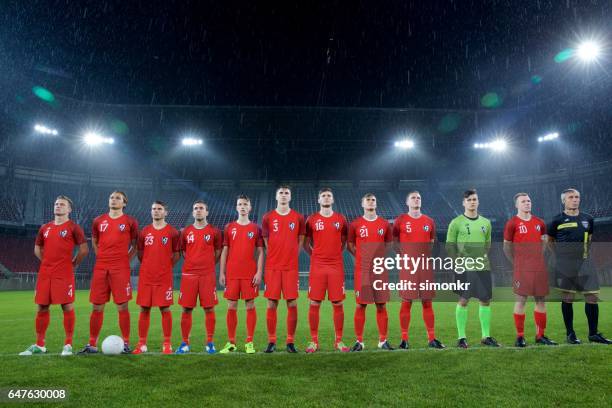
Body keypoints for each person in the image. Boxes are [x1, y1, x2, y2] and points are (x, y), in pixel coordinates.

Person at [20, 196, 88, 356]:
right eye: (56, 204)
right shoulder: (45, 227)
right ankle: (39, 344)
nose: (58, 206)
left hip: (64, 273)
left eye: (62, 205)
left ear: (69, 209)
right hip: (45, 273)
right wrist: (47, 262)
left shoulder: (73, 227)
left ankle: (68, 345)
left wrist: (73, 264)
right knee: (42, 306)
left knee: (66, 306)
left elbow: (84, 250)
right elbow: (37, 249)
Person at [547, 188, 611, 344]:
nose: (575, 199)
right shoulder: (556, 220)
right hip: (565, 264)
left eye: (577, 197)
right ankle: (570, 334)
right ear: (564, 201)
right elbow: (550, 241)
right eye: (571, 197)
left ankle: (593, 334)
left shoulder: (588, 218)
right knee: (568, 298)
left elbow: (589, 238)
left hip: (585, 262)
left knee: (592, 297)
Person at [79, 191, 139, 354]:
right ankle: (92, 344)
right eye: (111, 197)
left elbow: (135, 244)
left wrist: (125, 259)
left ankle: (126, 343)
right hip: (101, 267)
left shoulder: (130, 221)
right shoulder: (98, 221)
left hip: (120, 267)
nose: (114, 200)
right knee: (97, 306)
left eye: (118, 198)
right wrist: (102, 258)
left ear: (124, 203)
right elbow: (95, 242)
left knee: (122, 306)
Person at [446, 189, 498, 348]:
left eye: (474, 199)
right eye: (469, 200)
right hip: (464, 268)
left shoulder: (486, 223)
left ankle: (486, 336)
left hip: (482, 267)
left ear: (478, 201)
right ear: (464, 203)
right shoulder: (456, 222)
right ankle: (462, 337)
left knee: (485, 300)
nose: (472, 202)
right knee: (463, 300)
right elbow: (450, 246)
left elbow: (487, 245)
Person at [503, 193, 556, 347]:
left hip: (538, 268)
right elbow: (506, 247)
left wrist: (538, 256)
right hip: (522, 269)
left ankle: (540, 335)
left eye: (529, 201)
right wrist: (516, 262)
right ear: (516, 205)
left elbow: (544, 241)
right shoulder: (512, 223)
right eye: (523, 201)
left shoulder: (540, 222)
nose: (527, 203)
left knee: (541, 300)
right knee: (521, 300)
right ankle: (520, 337)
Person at [393, 191, 445, 349]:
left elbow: (432, 242)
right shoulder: (400, 220)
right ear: (407, 202)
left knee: (427, 302)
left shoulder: (429, 221)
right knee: (406, 302)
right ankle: (404, 340)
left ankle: (432, 339)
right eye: (413, 198)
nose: (417, 200)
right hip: (408, 267)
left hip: (425, 267)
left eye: (419, 198)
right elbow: (395, 241)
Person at [303, 188, 350, 353]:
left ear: (333, 199)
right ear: (318, 200)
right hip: (317, 266)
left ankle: (339, 341)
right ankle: (314, 341)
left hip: (336, 266)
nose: (326, 197)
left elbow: (344, 241)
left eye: (329, 195)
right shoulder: (312, 219)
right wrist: (316, 255)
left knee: (338, 302)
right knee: (314, 302)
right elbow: (305, 243)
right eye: (323, 195)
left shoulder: (341, 219)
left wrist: (336, 254)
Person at [347, 193, 394, 351]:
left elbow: (389, 244)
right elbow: (350, 245)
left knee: (381, 305)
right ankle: (359, 341)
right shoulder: (355, 224)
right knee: (361, 305)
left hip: (379, 271)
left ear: (376, 203)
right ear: (362, 204)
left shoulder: (384, 224)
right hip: (363, 271)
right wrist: (362, 257)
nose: (371, 202)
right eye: (368, 200)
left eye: (373, 199)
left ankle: (383, 340)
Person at [261, 186, 305, 353]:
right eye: (281, 193)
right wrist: (273, 254)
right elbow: (265, 239)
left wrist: (294, 254)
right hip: (272, 266)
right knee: (272, 303)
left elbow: (301, 239)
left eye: (287, 193)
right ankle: (271, 341)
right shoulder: (268, 217)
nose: (284, 195)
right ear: (276, 196)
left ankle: (290, 341)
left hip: (290, 267)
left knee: (292, 302)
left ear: (290, 196)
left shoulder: (298, 217)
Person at [133, 201, 180, 355]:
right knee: (144, 308)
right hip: (146, 276)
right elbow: (140, 253)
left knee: (165, 308)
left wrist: (165, 266)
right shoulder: (144, 232)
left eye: (159, 209)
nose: (156, 211)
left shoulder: (173, 232)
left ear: (166, 212)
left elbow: (177, 254)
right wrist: (149, 266)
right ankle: (141, 343)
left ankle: (167, 343)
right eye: (153, 209)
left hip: (164, 277)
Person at [219, 195, 264, 354]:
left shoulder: (256, 228)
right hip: (232, 272)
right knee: (231, 305)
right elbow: (225, 251)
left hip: (249, 272)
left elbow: (260, 251)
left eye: (245, 204)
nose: (243, 207)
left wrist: (259, 272)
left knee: (250, 305)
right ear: (236, 207)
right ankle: (231, 343)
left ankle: (249, 342)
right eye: (240, 204)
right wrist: (222, 272)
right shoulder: (229, 227)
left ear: (250, 208)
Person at [176, 200, 223, 354]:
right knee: (186, 309)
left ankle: (210, 342)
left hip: (207, 275)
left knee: (209, 309)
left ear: (207, 212)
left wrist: (207, 264)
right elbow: (183, 251)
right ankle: (184, 343)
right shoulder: (185, 231)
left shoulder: (214, 231)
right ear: (193, 211)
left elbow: (217, 252)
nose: (198, 210)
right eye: (195, 208)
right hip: (189, 274)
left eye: (201, 208)